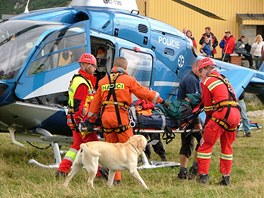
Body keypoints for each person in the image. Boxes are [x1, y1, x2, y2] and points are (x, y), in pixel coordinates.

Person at [87, 57, 163, 184]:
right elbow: (143, 93)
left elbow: (95, 103)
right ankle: (133, 169)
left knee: (111, 149)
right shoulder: (128, 79)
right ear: (125, 68)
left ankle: (115, 179)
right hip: (120, 117)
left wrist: (90, 120)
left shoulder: (103, 81)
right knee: (131, 145)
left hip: (106, 117)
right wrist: (159, 99)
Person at [56, 53, 102, 178]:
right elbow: (79, 106)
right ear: (87, 65)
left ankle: (62, 171)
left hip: (74, 119)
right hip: (79, 120)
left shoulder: (80, 79)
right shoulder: (82, 83)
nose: (95, 69)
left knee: (76, 146)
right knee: (94, 146)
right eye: (93, 66)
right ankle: (100, 172)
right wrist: (81, 122)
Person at [196, 57, 241, 186]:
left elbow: (208, 107)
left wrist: (208, 124)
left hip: (222, 114)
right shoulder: (224, 79)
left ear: (206, 69)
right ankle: (226, 178)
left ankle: (203, 176)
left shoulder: (207, 81)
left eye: (201, 71)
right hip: (235, 114)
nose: (200, 75)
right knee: (227, 147)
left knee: (205, 144)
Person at [177, 60, 203, 180]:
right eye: (201, 69)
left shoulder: (189, 77)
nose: (202, 72)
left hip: (183, 116)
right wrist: (197, 123)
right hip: (189, 116)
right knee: (203, 140)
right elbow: (194, 104)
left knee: (186, 143)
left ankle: (182, 171)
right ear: (195, 68)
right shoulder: (192, 80)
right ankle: (195, 168)